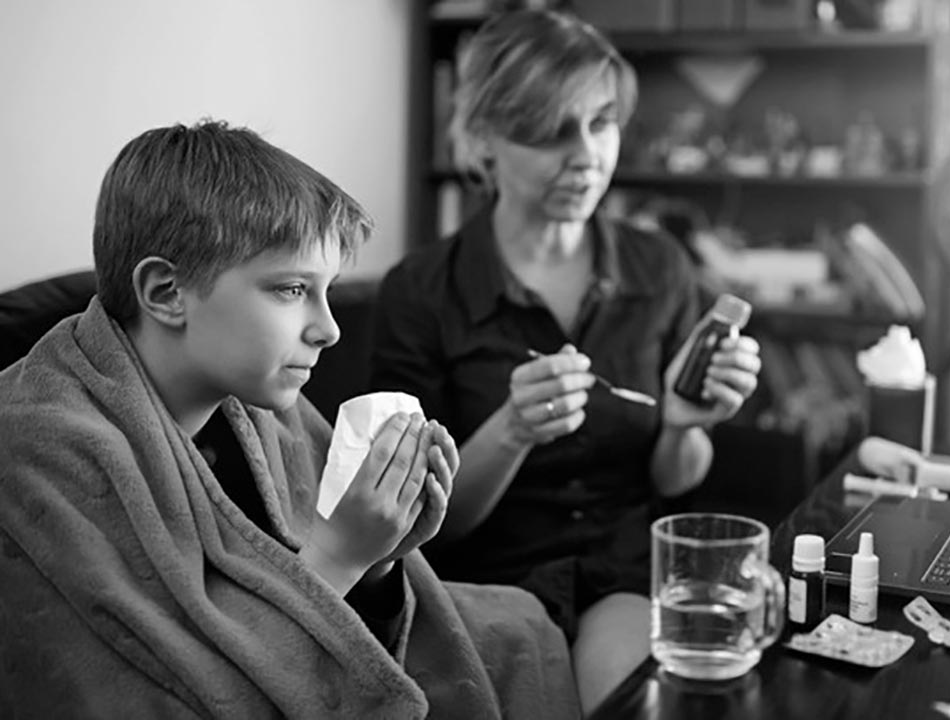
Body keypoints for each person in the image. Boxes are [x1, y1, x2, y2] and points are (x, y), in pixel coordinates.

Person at [0, 120, 579, 719]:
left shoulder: (263, 406)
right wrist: (340, 553)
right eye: (291, 289)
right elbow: (151, 692)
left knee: (522, 627)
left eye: (327, 290)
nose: (328, 329)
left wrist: (382, 558)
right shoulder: (35, 446)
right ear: (166, 291)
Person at [370, 9, 762, 713]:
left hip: (622, 576)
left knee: (641, 703)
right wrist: (511, 430)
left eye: (601, 121)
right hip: (485, 586)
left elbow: (675, 482)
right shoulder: (421, 291)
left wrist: (683, 424)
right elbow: (413, 523)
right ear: (483, 141)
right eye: (551, 131)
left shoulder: (660, 267)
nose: (586, 155)